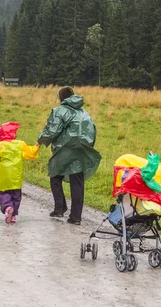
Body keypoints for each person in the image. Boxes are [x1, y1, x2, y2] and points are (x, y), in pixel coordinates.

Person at [37, 86, 101, 225]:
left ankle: (59, 208)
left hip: (65, 149)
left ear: (61, 98)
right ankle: (75, 217)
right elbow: (92, 130)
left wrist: (40, 140)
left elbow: (53, 129)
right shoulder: (84, 112)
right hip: (81, 149)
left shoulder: (59, 111)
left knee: (55, 176)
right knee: (77, 181)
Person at [0, 122, 39, 224]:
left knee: (2, 193)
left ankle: (7, 207)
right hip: (16, 176)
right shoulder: (20, 144)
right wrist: (36, 146)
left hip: (4, 176)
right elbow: (29, 153)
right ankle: (13, 216)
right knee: (16, 195)